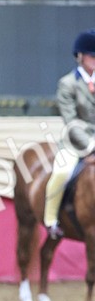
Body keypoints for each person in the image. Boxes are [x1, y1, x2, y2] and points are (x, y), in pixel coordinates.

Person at [45, 29, 95, 236]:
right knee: (62, 172)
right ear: (80, 56)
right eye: (92, 55)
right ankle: (51, 220)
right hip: (76, 142)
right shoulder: (68, 84)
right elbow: (71, 121)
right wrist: (91, 145)